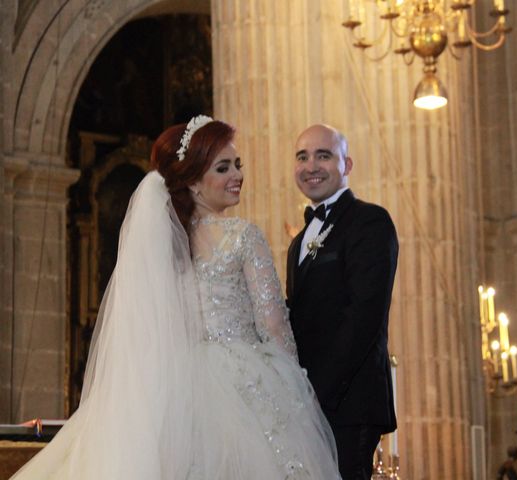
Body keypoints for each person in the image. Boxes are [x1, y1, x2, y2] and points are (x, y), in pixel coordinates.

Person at [11, 117, 340, 479]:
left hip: (176, 388)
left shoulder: (161, 244)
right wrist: (294, 386)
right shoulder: (243, 236)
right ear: (195, 183)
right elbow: (273, 324)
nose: (237, 175)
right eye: (223, 167)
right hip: (244, 384)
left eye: (237, 165)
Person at [286, 124, 399, 480]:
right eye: (302, 157)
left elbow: (363, 316)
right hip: (308, 402)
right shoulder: (298, 241)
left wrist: (318, 391)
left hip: (350, 402)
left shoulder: (370, 221)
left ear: (346, 165)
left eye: (324, 155)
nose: (311, 165)